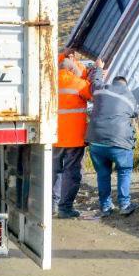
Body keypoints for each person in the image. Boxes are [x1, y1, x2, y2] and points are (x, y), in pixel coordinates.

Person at [85, 60, 139, 216]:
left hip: (96, 140)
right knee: (124, 171)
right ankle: (124, 204)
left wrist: (98, 68)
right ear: (125, 85)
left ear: (113, 83)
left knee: (103, 174)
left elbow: (95, 81)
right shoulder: (130, 96)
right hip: (119, 142)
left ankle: (105, 207)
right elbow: (134, 114)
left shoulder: (101, 89)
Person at [52, 51, 91, 219]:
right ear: (73, 67)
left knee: (54, 171)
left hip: (54, 137)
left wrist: (65, 54)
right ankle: (65, 208)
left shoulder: (49, 82)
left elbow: (60, 60)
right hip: (74, 138)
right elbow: (93, 94)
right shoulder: (79, 83)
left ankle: (51, 205)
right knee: (72, 172)